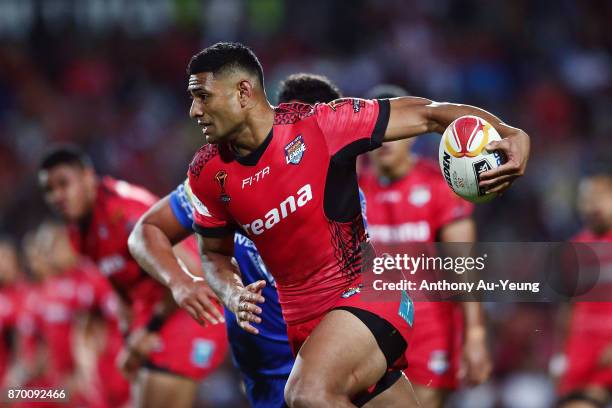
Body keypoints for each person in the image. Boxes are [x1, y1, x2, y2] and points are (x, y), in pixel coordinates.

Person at [185, 42, 530, 407]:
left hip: (367, 293)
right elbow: (213, 254)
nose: (195, 111)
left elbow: (430, 115)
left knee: (306, 393)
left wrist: (508, 132)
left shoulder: (321, 124)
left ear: (243, 92)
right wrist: (232, 293)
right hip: (304, 324)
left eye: (202, 96)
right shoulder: (206, 174)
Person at [128, 73, 347, 408]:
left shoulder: (349, 196)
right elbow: (147, 231)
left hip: (332, 370)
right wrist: (181, 282)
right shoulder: (223, 180)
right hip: (267, 381)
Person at [38, 146, 228, 408]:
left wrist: (149, 330)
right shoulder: (78, 234)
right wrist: (131, 340)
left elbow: (191, 273)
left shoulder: (126, 211)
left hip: (194, 309)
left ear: (87, 177)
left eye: (63, 184)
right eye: (49, 190)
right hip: (159, 318)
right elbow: (120, 289)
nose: (57, 196)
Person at [360, 85, 492, 407]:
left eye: (395, 133)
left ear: (413, 135)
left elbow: (463, 266)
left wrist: (474, 333)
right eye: (380, 134)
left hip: (430, 324)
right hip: (368, 326)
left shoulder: (439, 187)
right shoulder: (350, 190)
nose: (387, 143)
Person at [557, 162, 612, 406]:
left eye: (600, 197)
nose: (593, 205)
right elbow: (567, 308)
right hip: (584, 354)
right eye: (587, 199)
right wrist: (561, 356)